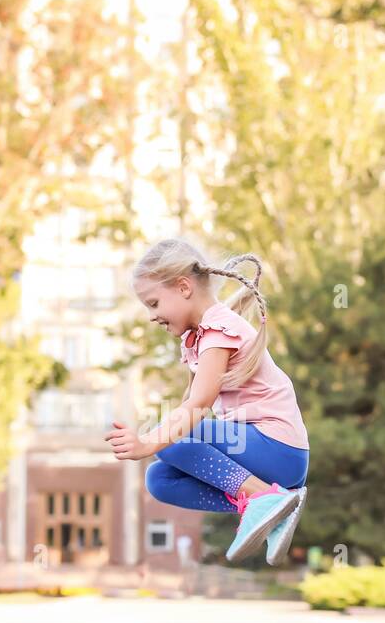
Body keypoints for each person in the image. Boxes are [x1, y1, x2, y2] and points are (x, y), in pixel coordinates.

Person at [106, 238, 310, 565]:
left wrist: (146, 443)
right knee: (159, 479)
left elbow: (199, 404)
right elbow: (190, 409)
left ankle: (264, 497)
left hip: (279, 450)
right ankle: (269, 502)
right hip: (264, 457)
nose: (151, 316)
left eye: (154, 303)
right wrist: (154, 441)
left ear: (184, 287)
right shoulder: (199, 338)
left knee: (168, 435)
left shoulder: (219, 329)